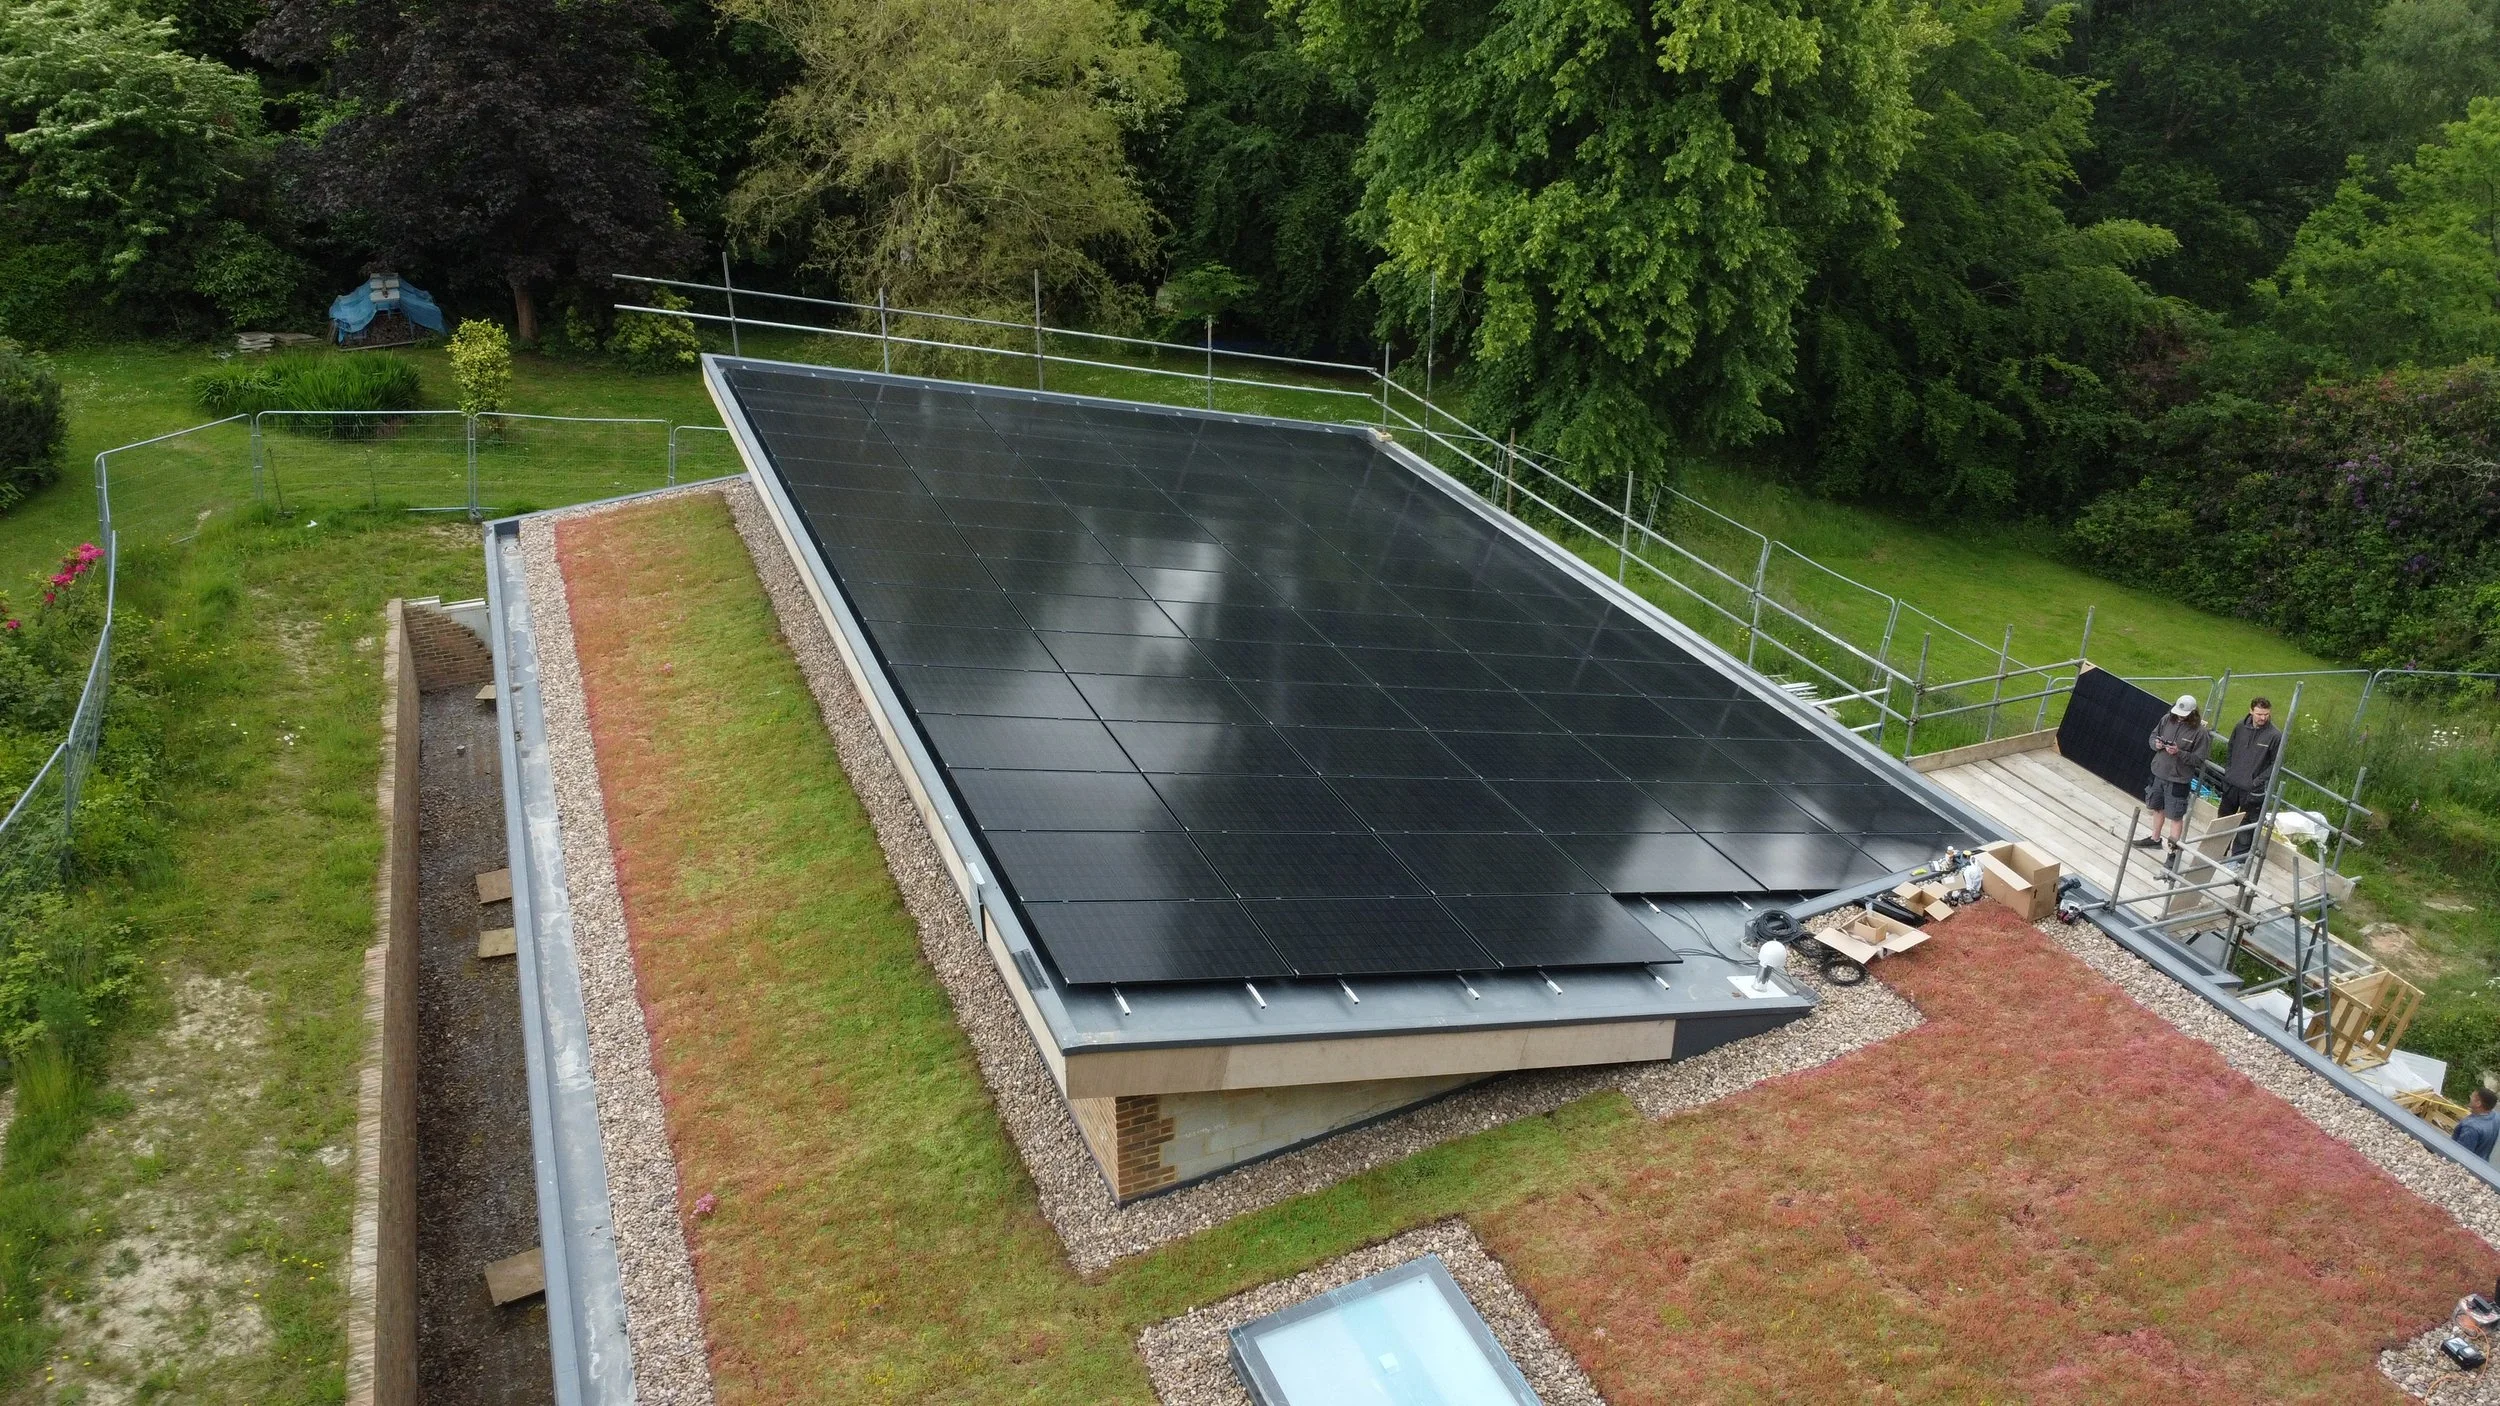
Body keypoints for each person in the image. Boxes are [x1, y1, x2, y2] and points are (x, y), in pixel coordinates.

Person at [2136, 694, 2212, 853]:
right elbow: (2152, 736)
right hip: (2158, 773)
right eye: (2177, 713)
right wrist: (2156, 744)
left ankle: (2173, 851)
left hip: (2178, 780)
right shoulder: (2166, 719)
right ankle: (2154, 839)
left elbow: (2199, 759)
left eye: (2183, 715)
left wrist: (2179, 753)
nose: (2179, 717)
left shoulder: (2200, 732)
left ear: (2193, 713)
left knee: (2176, 816)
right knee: (2157, 807)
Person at [2214, 697, 2283, 861]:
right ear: (2251, 711)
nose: (2263, 718)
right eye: (2259, 714)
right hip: (2232, 783)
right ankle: (2218, 851)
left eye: (2266, 714)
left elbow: (2276, 764)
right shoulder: (2240, 726)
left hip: (2252, 790)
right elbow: (2230, 747)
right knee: (2224, 818)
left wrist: (2257, 782)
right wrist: (2229, 771)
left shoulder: (2274, 736)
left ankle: (2238, 860)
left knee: (2246, 826)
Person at [2458, 1089, 2500, 1160]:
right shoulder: (2495, 1117)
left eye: (2472, 1097)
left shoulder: (2471, 1128)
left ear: (2478, 1104)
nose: (2470, 1097)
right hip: (2482, 1161)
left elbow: (2460, 1155)